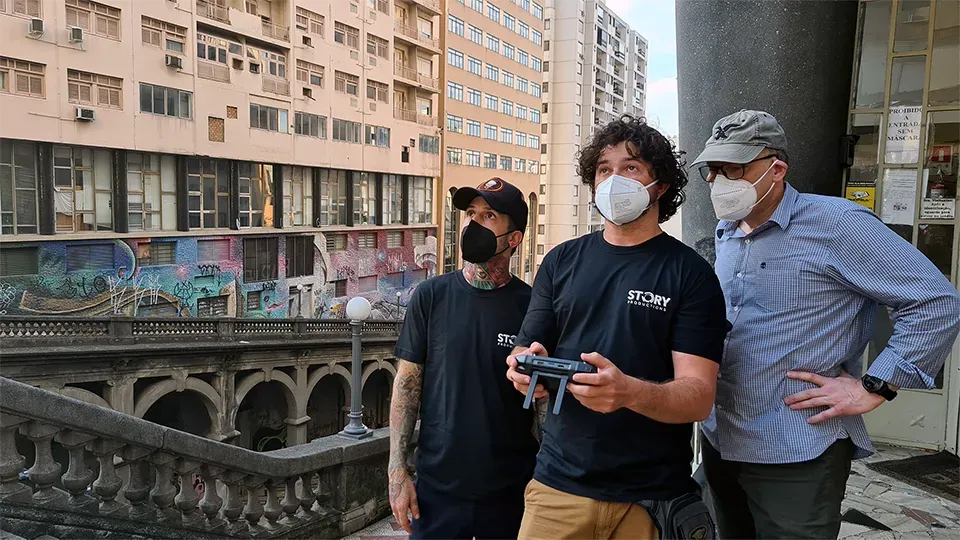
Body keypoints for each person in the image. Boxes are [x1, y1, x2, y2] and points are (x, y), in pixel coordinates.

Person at [691, 109, 960, 539]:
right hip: (722, 440)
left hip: (797, 449)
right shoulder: (727, 230)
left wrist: (876, 386)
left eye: (735, 168)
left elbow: (936, 302)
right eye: (712, 169)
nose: (719, 180)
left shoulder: (839, 224)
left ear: (776, 169)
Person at [505, 115, 730, 540]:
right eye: (604, 170)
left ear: (659, 185)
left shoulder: (691, 275)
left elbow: (699, 397)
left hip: (650, 498)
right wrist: (523, 371)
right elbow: (526, 349)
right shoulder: (560, 261)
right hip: (559, 488)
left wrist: (628, 392)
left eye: (631, 168)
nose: (613, 179)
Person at [388, 177, 540, 540]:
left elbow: (542, 406)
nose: (474, 223)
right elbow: (407, 386)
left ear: (514, 238)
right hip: (436, 493)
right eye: (471, 213)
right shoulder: (430, 297)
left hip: (511, 494)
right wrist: (398, 472)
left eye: (489, 216)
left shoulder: (533, 308)